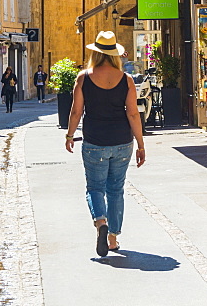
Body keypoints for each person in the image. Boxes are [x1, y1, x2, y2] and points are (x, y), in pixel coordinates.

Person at [65, 30, 145, 257]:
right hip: (122, 140)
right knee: (116, 189)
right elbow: (133, 114)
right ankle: (112, 239)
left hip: (94, 140)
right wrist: (140, 144)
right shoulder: (126, 79)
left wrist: (70, 135)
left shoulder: (84, 78)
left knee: (95, 187)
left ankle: (101, 223)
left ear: (96, 53)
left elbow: (76, 111)